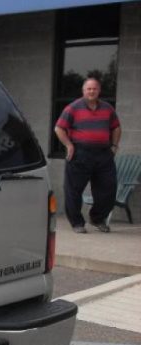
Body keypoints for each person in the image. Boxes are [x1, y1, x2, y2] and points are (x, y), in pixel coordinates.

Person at [54, 77, 121, 233]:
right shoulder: (73, 108)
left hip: (104, 154)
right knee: (74, 190)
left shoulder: (107, 108)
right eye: (88, 89)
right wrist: (69, 145)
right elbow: (59, 128)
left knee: (108, 189)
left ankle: (97, 218)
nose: (91, 91)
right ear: (83, 91)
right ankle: (77, 223)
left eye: (94, 88)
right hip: (80, 154)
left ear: (99, 90)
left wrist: (114, 146)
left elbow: (116, 127)